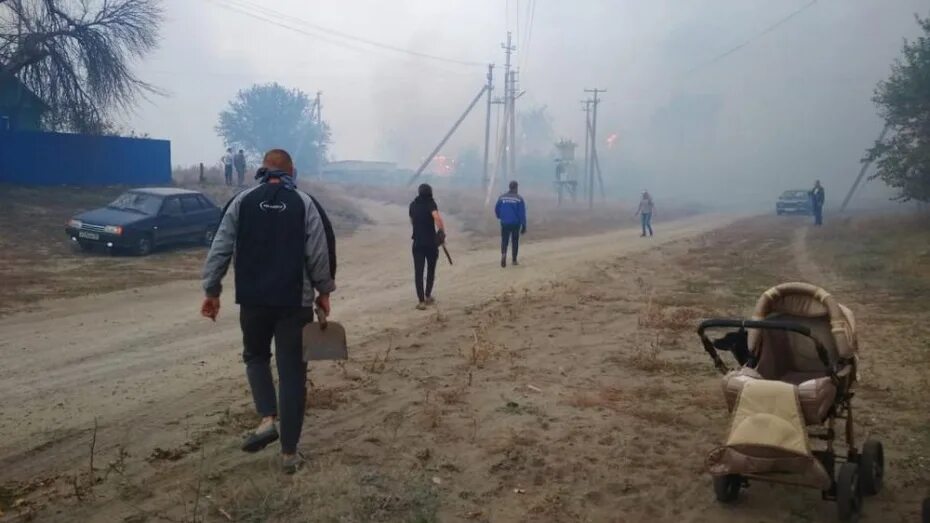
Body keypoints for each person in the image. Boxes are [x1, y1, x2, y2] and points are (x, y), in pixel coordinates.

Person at [200, 148, 337, 474]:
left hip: (253, 301)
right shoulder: (304, 204)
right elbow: (319, 252)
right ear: (293, 171)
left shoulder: (241, 202)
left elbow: (219, 247)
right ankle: (289, 455)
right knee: (292, 376)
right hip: (294, 303)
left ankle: (267, 418)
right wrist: (324, 292)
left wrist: (212, 290)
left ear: (261, 170)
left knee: (256, 356)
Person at [409, 183, 446, 310]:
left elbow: (412, 221)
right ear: (430, 192)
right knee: (431, 269)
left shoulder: (413, 205)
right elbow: (437, 218)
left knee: (418, 272)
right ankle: (428, 295)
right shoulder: (431, 203)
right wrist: (441, 232)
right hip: (430, 243)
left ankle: (421, 301)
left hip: (417, 243)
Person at [495, 180, 527, 268]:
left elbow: (497, 208)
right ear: (516, 188)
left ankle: (504, 254)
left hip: (504, 222)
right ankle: (514, 260)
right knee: (515, 241)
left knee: (504, 240)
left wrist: (499, 216)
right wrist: (524, 225)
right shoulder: (519, 199)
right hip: (515, 223)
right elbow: (522, 213)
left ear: (509, 187)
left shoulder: (502, 197)